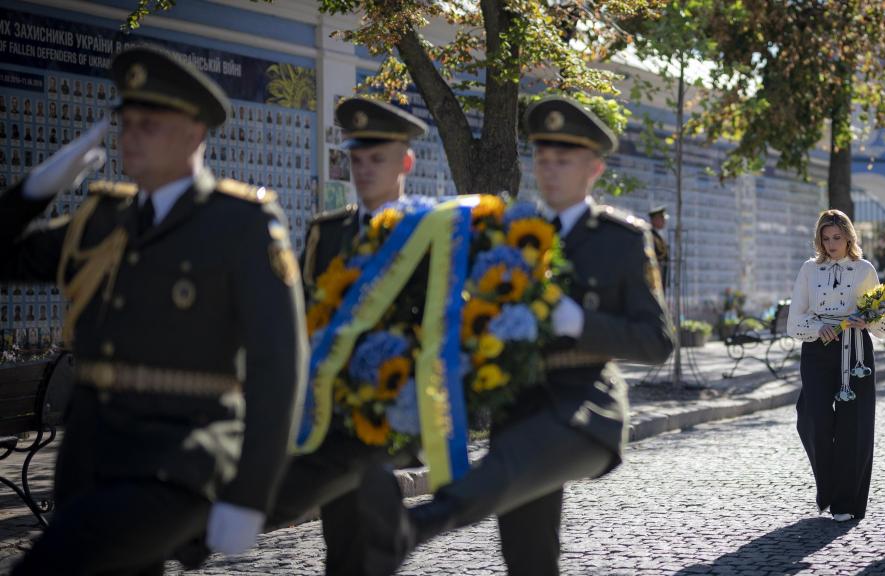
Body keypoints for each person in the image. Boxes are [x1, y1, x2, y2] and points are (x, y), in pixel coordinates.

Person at [2, 45, 307, 574]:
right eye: (126, 122)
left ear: (194, 133)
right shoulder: (100, 221)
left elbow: (278, 366)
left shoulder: (240, 224)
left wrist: (250, 493)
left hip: (179, 466)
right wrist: (35, 189)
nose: (130, 135)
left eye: (149, 123)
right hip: (90, 463)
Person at [357, 96, 676, 576]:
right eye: (542, 159)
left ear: (594, 168)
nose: (549, 171)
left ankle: (415, 526)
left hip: (585, 408)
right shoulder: (507, 235)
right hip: (519, 404)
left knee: (513, 458)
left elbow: (657, 342)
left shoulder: (622, 238)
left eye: (563, 161)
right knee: (527, 557)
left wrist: (577, 322)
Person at [265, 97, 428, 576]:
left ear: (406, 162)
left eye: (377, 159)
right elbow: (309, 316)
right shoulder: (328, 232)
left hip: (396, 408)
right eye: (356, 159)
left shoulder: (430, 231)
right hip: (334, 410)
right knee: (345, 535)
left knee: (361, 517)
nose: (364, 170)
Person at [787, 209, 885, 522]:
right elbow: (794, 323)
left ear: (850, 237)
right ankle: (828, 488)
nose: (831, 244)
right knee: (814, 419)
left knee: (855, 427)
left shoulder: (864, 269)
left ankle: (846, 501)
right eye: (826, 238)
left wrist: (869, 319)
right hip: (817, 349)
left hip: (857, 350)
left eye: (837, 237)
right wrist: (815, 326)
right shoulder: (809, 269)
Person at [648, 205, 670, 290]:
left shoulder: (658, 236)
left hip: (660, 275)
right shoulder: (650, 235)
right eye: (662, 219)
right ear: (655, 219)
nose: (664, 221)